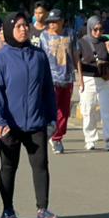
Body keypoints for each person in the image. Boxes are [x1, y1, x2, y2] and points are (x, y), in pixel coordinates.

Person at [0, 11, 59, 218]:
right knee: (9, 167)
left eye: (25, 25)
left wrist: (51, 118)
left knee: (41, 166)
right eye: (18, 26)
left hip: (36, 122)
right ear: (9, 29)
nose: (23, 29)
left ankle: (42, 210)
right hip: (10, 125)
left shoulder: (39, 56)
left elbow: (48, 90)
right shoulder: (1, 58)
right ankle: (7, 210)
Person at [78, 15, 109, 152]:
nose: (98, 32)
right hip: (88, 79)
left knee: (107, 110)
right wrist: (80, 80)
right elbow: (77, 61)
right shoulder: (82, 42)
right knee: (88, 110)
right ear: (90, 28)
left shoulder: (105, 40)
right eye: (95, 29)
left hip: (104, 80)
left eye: (101, 29)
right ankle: (90, 139)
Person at [39, 9, 77, 154]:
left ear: (62, 21)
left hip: (67, 78)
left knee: (65, 111)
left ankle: (57, 136)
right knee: (52, 109)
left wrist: (80, 76)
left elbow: (75, 54)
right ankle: (53, 135)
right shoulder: (44, 36)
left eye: (55, 21)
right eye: (50, 22)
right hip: (51, 79)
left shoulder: (70, 33)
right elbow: (41, 58)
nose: (52, 24)